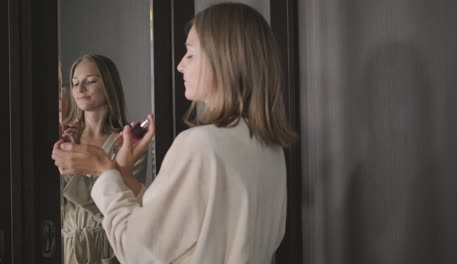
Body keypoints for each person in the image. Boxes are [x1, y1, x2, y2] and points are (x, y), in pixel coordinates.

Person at [52, 3, 296, 263]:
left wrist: (104, 170)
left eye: (190, 54)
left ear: (224, 60)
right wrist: (123, 173)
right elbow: (186, 221)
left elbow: (137, 252)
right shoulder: (269, 149)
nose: (180, 65)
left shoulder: (201, 145)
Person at [57, 54, 147, 264]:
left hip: (108, 243)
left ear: (109, 85)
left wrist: (73, 177)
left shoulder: (128, 142)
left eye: (90, 81)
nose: (80, 89)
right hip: (68, 247)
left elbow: (122, 203)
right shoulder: (66, 139)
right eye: (74, 83)